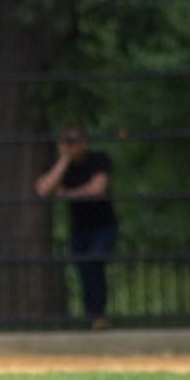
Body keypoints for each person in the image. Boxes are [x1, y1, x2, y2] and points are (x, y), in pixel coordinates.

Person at [34, 125, 117, 329]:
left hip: (103, 224)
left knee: (95, 261)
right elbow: (44, 189)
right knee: (83, 269)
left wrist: (68, 194)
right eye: (67, 142)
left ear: (84, 143)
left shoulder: (98, 160)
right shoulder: (62, 167)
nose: (71, 146)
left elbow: (98, 188)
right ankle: (93, 314)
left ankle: (98, 314)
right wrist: (63, 160)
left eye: (75, 142)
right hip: (79, 227)